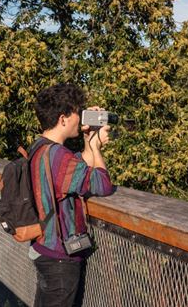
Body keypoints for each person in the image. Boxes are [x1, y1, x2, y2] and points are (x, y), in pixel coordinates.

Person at [30, 83, 115, 307]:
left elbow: (79, 170)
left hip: (45, 249)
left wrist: (89, 142)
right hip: (60, 258)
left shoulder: (41, 148)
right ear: (63, 118)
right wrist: (96, 148)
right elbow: (103, 185)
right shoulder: (59, 156)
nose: (80, 117)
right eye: (78, 112)